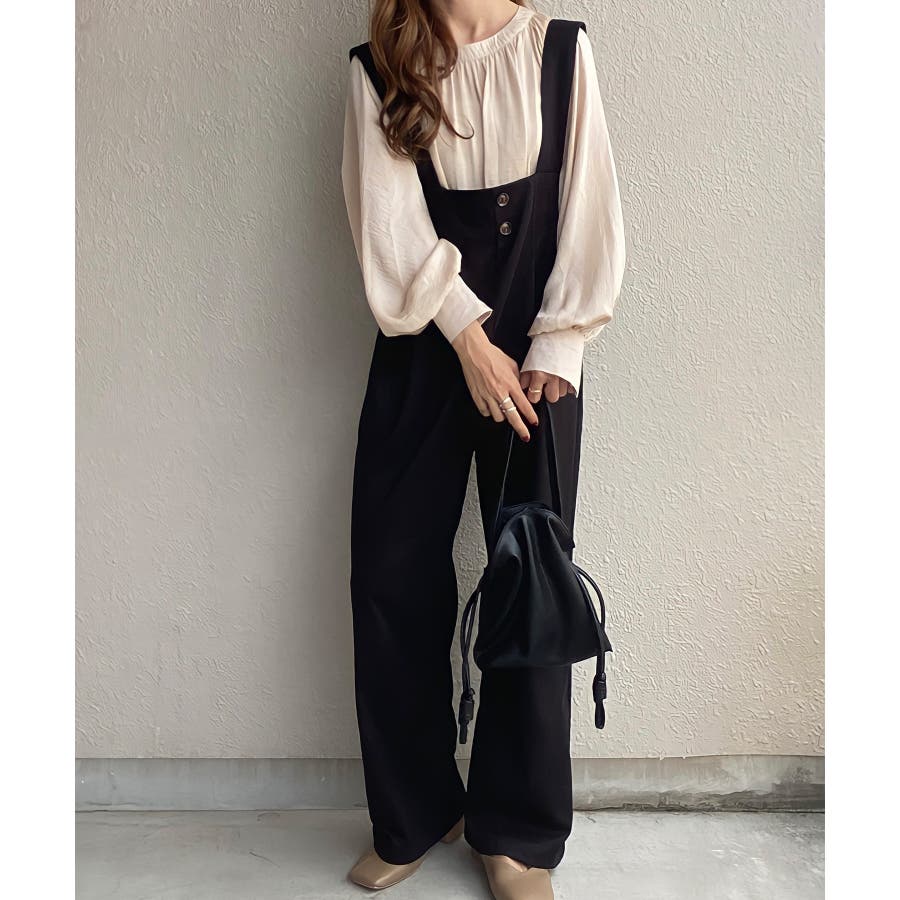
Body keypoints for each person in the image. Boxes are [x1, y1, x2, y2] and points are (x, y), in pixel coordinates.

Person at [340, 2, 625, 897]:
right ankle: (416, 809)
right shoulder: (381, 65)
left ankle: (517, 835)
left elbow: (589, 205)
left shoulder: (558, 51)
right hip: (425, 349)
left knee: (529, 580)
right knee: (390, 576)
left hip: (537, 362)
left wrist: (560, 344)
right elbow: (389, 227)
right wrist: (467, 337)